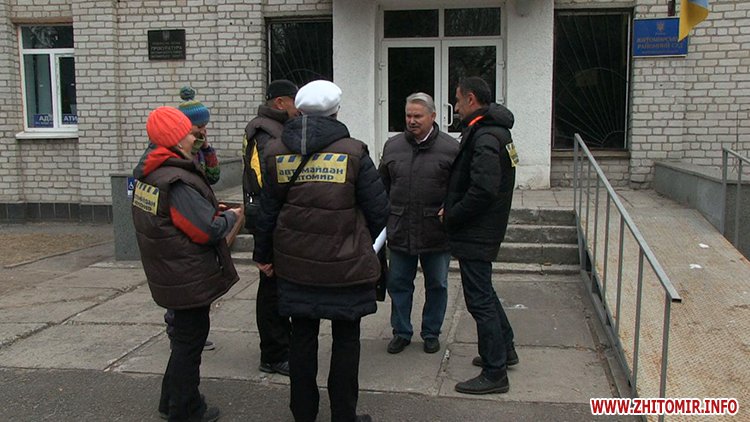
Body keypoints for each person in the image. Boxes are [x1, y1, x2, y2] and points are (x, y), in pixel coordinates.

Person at [253, 80, 388, 422]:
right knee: (346, 340)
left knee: (302, 338)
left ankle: (303, 414)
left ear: (298, 111)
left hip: (296, 266)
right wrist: (366, 248)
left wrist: (263, 256)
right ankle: (344, 415)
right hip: (346, 267)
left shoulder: (275, 152)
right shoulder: (354, 152)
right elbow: (379, 213)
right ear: (335, 112)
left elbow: (267, 211)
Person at [132, 106, 242, 421]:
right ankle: (186, 410)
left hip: (170, 270)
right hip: (186, 275)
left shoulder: (151, 173)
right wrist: (230, 218)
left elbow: (173, 219)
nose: (195, 136)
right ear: (175, 138)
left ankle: (170, 401)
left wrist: (207, 209)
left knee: (183, 341)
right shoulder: (175, 178)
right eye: (189, 132)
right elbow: (206, 230)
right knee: (189, 346)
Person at [443, 77, 520, 395]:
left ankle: (494, 371)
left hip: (478, 230)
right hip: (484, 227)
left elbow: (483, 190)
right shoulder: (494, 131)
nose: (456, 106)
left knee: (479, 301)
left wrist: (453, 213)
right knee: (484, 291)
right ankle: (506, 349)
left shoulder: (486, 135)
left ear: (471, 99)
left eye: (458, 100)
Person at [378, 92, 458, 355]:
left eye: (418, 116)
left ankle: (431, 332)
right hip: (400, 228)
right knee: (399, 284)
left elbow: (459, 188)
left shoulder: (451, 148)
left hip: (436, 231)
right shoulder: (393, 146)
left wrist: (450, 208)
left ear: (432, 117)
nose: (412, 121)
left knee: (437, 285)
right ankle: (401, 332)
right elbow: (382, 185)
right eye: (408, 116)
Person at [242, 79, 299, 376]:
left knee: (277, 284)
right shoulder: (264, 132)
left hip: (273, 218)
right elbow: (266, 183)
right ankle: (274, 354)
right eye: (294, 101)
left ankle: (281, 345)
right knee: (271, 287)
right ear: (280, 102)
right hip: (270, 219)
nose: (298, 107)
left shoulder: (274, 128)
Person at [161, 86, 224, 353]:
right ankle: (177, 332)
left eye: (205, 127)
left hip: (198, 213)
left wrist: (207, 149)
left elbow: (213, 176)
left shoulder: (198, 149)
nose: (203, 131)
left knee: (196, 283)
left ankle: (190, 332)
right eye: (199, 127)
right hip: (185, 223)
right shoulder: (175, 155)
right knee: (182, 285)